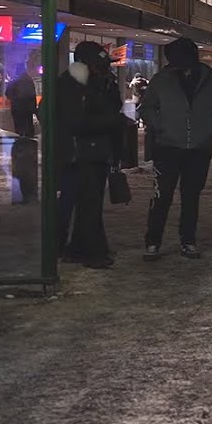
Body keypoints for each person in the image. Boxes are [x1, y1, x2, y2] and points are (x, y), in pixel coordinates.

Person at [139, 37, 212, 261]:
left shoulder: (211, 81)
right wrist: (160, 125)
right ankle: (153, 242)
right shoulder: (162, 79)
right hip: (167, 147)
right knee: (162, 197)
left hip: (198, 149)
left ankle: (188, 241)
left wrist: (209, 130)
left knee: (191, 197)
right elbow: (147, 108)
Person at [56, 41, 126, 269]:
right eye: (100, 65)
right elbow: (77, 121)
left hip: (95, 152)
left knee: (90, 203)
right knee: (87, 205)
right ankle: (90, 251)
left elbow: (113, 106)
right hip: (80, 154)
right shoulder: (72, 85)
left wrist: (108, 86)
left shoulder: (96, 82)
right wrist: (112, 120)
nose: (104, 68)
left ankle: (78, 248)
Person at [6, 51, 41, 204]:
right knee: (26, 150)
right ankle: (28, 192)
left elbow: (9, 94)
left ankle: (22, 191)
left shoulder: (15, 82)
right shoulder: (26, 82)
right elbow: (31, 103)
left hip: (18, 119)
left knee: (21, 148)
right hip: (25, 121)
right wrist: (37, 114)